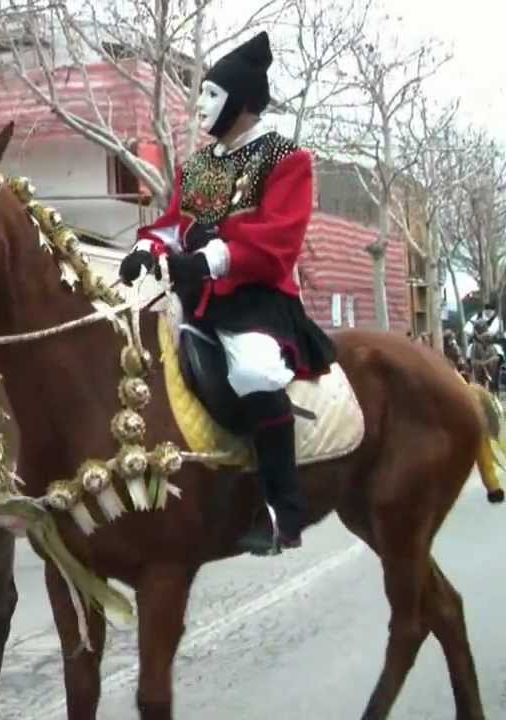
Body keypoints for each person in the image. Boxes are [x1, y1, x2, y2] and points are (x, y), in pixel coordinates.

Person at [118, 31, 335, 555]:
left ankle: (285, 509)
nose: (200, 106)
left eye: (210, 95)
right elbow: (175, 224)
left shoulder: (288, 159)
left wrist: (209, 259)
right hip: (195, 297)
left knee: (254, 371)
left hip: (256, 299)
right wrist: (149, 247)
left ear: (240, 100)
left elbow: (277, 240)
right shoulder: (197, 166)